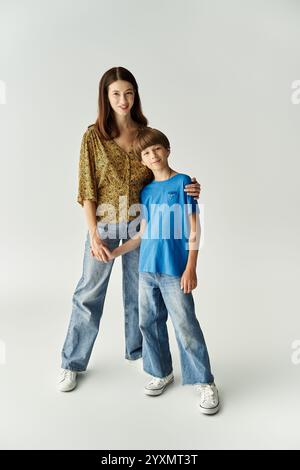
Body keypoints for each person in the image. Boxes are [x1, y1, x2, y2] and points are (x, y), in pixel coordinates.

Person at [58, 67, 201, 392]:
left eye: (129, 93)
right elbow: (87, 187)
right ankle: (71, 363)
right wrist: (93, 232)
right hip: (105, 221)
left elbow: (162, 173)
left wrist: (190, 185)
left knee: (140, 293)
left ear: (135, 96)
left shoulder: (145, 135)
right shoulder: (93, 135)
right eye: (116, 94)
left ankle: (139, 353)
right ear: (106, 98)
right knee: (88, 292)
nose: (123, 100)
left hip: (142, 223)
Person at [107, 127, 220, 415]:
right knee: (149, 322)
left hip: (174, 270)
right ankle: (161, 372)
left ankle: (204, 381)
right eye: (146, 152)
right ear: (142, 160)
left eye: (157, 149)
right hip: (147, 269)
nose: (152, 155)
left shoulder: (183, 183)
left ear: (167, 149)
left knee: (185, 325)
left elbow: (194, 227)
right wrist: (116, 252)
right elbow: (143, 231)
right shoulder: (146, 192)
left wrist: (191, 267)